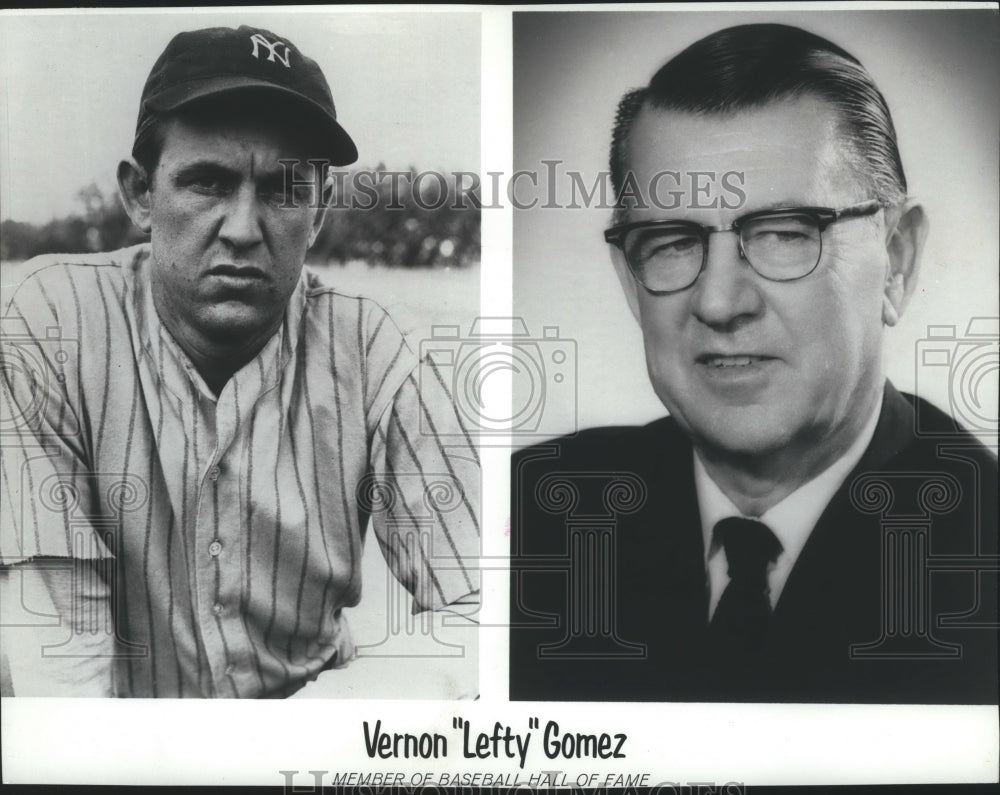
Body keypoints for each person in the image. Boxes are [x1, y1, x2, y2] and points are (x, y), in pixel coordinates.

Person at [509, 23, 997, 703]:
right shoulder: (527, 521)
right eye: (672, 242)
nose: (718, 301)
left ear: (897, 262)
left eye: (784, 234)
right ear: (628, 277)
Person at [0, 24, 480, 698]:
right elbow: (63, 663)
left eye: (285, 190)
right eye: (208, 182)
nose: (244, 228)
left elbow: (484, 611)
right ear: (141, 193)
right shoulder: (48, 322)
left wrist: (319, 723)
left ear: (319, 211)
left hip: (305, 735)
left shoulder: (377, 349)